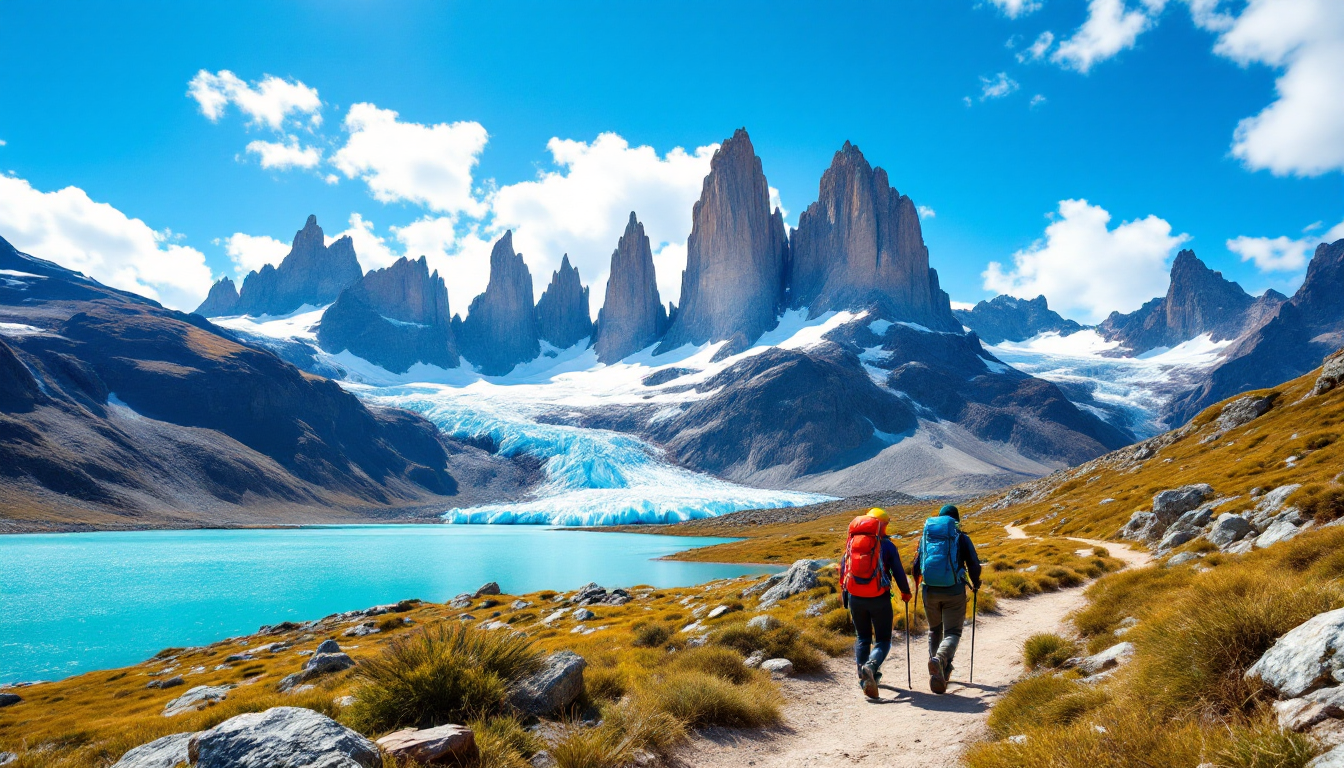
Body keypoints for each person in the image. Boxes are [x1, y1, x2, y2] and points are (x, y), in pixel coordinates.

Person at [839, 507, 912, 699]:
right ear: (883, 525)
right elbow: (898, 572)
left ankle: (864, 679)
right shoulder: (887, 545)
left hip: (855, 597)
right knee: (883, 640)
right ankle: (871, 666)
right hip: (879, 598)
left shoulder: (852, 542)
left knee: (862, 637)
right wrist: (905, 592)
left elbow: (843, 569)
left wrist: (845, 595)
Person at [910, 504, 981, 695]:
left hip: (929, 590)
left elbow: (916, 565)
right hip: (953, 590)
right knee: (953, 632)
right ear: (956, 520)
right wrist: (976, 583)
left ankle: (939, 673)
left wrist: (918, 585)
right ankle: (940, 660)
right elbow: (973, 563)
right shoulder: (961, 537)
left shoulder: (926, 538)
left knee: (934, 630)